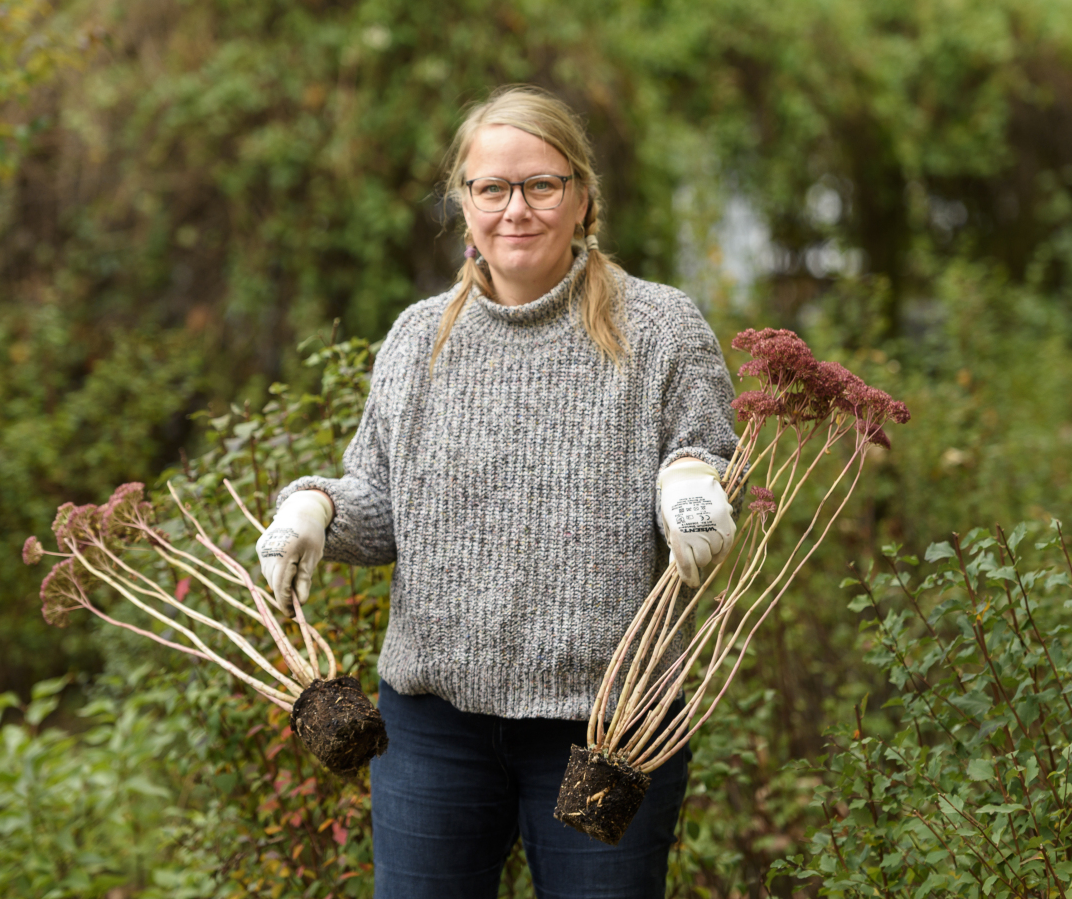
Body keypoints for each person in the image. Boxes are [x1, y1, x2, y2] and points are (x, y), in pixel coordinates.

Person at [256, 85, 740, 899]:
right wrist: (317, 510)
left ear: (583, 197)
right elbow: (381, 503)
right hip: (432, 729)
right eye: (493, 188)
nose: (516, 208)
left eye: (541, 185)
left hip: (609, 726)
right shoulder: (418, 338)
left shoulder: (660, 327)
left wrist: (692, 479)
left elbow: (708, 457)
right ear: (465, 201)